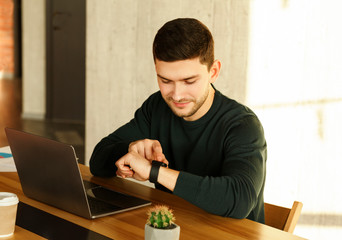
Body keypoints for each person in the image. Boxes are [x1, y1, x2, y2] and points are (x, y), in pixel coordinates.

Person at [89, 18, 267, 223]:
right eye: (165, 81)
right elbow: (98, 161)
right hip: (176, 228)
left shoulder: (243, 125)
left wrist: (153, 171)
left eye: (189, 81)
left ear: (213, 72)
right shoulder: (157, 107)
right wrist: (131, 149)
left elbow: (239, 199)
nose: (177, 95)